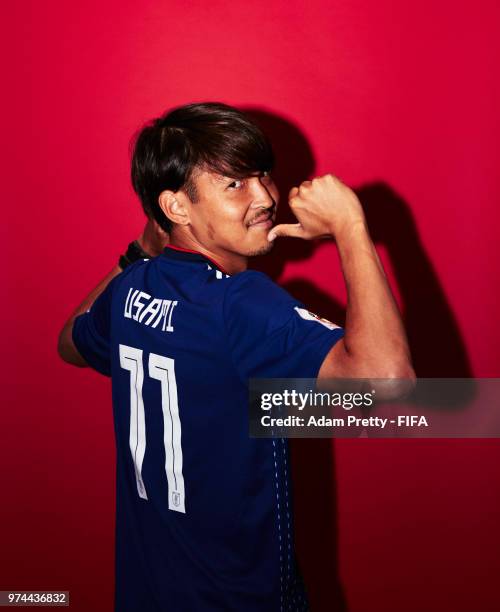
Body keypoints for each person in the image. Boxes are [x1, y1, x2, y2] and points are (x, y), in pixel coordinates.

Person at [58, 102, 415, 611]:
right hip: (240, 597)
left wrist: (139, 252)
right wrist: (351, 227)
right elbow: (389, 383)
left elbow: (69, 341)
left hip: (147, 591)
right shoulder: (239, 301)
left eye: (262, 175)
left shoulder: (132, 288)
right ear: (177, 207)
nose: (266, 197)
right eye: (235, 184)